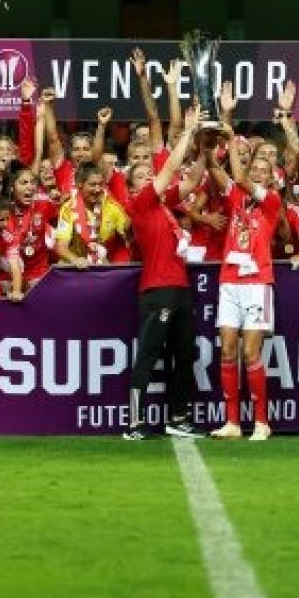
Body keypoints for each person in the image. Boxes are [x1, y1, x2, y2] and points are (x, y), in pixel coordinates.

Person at [122, 104, 207, 440]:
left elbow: (194, 179)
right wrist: (186, 132)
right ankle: (134, 422)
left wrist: (204, 145)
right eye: (141, 175)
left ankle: (178, 416)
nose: (148, 177)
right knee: (148, 355)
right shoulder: (139, 205)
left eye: (149, 174)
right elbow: (170, 171)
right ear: (133, 186)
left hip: (180, 287)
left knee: (186, 353)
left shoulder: (164, 206)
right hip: (157, 289)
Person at [206, 112, 282, 441]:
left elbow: (235, 173)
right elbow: (214, 169)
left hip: (256, 284)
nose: (258, 175)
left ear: (271, 179)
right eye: (256, 170)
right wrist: (206, 141)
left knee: (251, 354)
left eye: (264, 172)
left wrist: (230, 131)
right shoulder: (236, 197)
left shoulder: (272, 202)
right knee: (227, 351)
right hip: (230, 281)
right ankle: (233, 423)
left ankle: (261, 422)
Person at [54, 162, 129, 268]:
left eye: (100, 184)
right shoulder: (68, 208)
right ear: (80, 184)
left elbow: (129, 237)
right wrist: (75, 260)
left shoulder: (112, 207)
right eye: (93, 185)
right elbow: (61, 246)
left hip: (100, 262)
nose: (98, 189)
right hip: (74, 263)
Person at [5, 165, 58, 287]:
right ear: (12, 187)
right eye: (23, 183)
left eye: (32, 182)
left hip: (38, 270)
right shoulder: (3, 209)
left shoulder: (45, 204)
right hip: (9, 270)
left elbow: (57, 224)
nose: (29, 187)